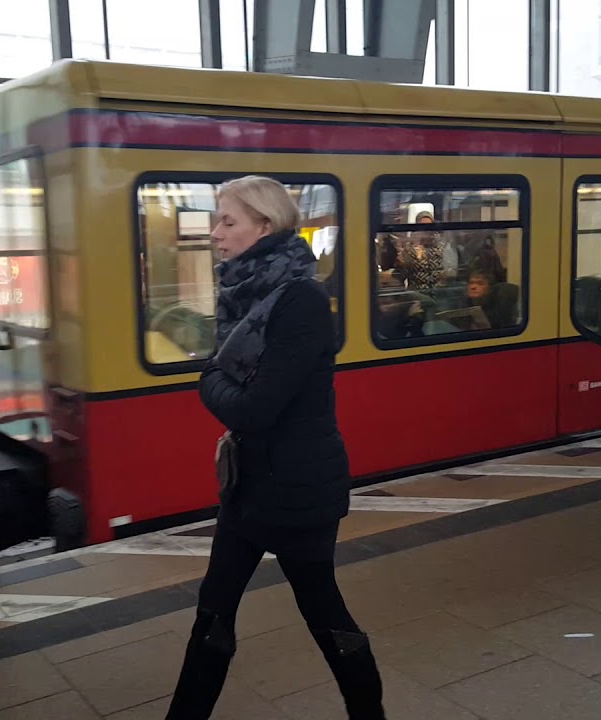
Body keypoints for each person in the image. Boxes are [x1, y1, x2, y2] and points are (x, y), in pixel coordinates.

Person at [165, 176, 384, 719]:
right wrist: (220, 379)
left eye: (227, 222)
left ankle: (370, 714)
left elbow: (254, 409)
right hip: (249, 488)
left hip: (298, 492)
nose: (215, 234)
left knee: (324, 613)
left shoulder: (301, 300)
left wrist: (207, 378)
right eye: (217, 220)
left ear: (265, 225)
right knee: (213, 613)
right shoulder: (246, 292)